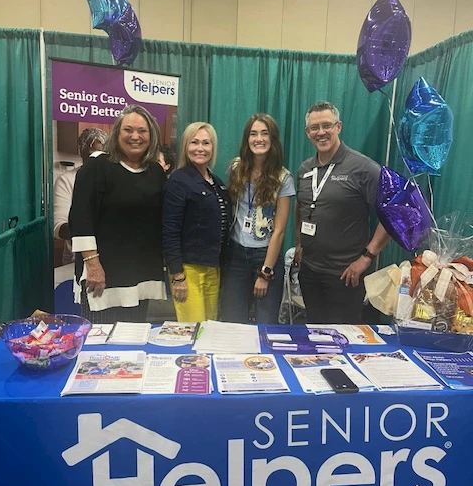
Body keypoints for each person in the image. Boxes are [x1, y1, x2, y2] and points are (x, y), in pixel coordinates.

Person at [295, 101, 390, 324]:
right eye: (314, 128)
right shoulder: (304, 169)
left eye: (326, 125)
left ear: (339, 127)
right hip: (309, 271)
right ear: (308, 133)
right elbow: (301, 206)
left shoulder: (364, 168)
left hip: (345, 275)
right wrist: (299, 242)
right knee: (314, 335)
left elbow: (391, 214)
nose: (321, 133)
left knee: (342, 340)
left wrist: (366, 258)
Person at [69, 104, 166, 324]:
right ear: (117, 133)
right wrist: (93, 265)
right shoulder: (97, 167)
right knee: (100, 349)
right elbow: (80, 218)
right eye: (128, 130)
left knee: (132, 342)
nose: (135, 136)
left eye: (142, 131)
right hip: (102, 277)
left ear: (151, 136)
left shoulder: (156, 172)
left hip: (140, 275)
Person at [221, 113, 295, 324]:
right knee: (232, 320)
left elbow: (280, 230)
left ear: (272, 139)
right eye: (253, 134)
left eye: (264, 133)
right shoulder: (237, 169)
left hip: (265, 256)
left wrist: (265, 273)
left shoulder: (283, 177)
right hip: (236, 254)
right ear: (247, 139)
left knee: (265, 323)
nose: (258, 139)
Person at [162, 122, 232, 322]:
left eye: (206, 143)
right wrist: (178, 276)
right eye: (194, 142)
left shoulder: (216, 182)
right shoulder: (178, 181)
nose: (200, 148)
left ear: (213, 147)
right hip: (188, 270)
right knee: (193, 331)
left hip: (213, 267)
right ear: (185, 146)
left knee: (210, 327)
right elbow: (169, 231)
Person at [53, 127, 108, 265]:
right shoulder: (67, 180)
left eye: (101, 153)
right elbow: (58, 227)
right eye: (91, 154)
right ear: (81, 152)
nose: (96, 160)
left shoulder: (115, 178)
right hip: (76, 259)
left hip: (112, 256)